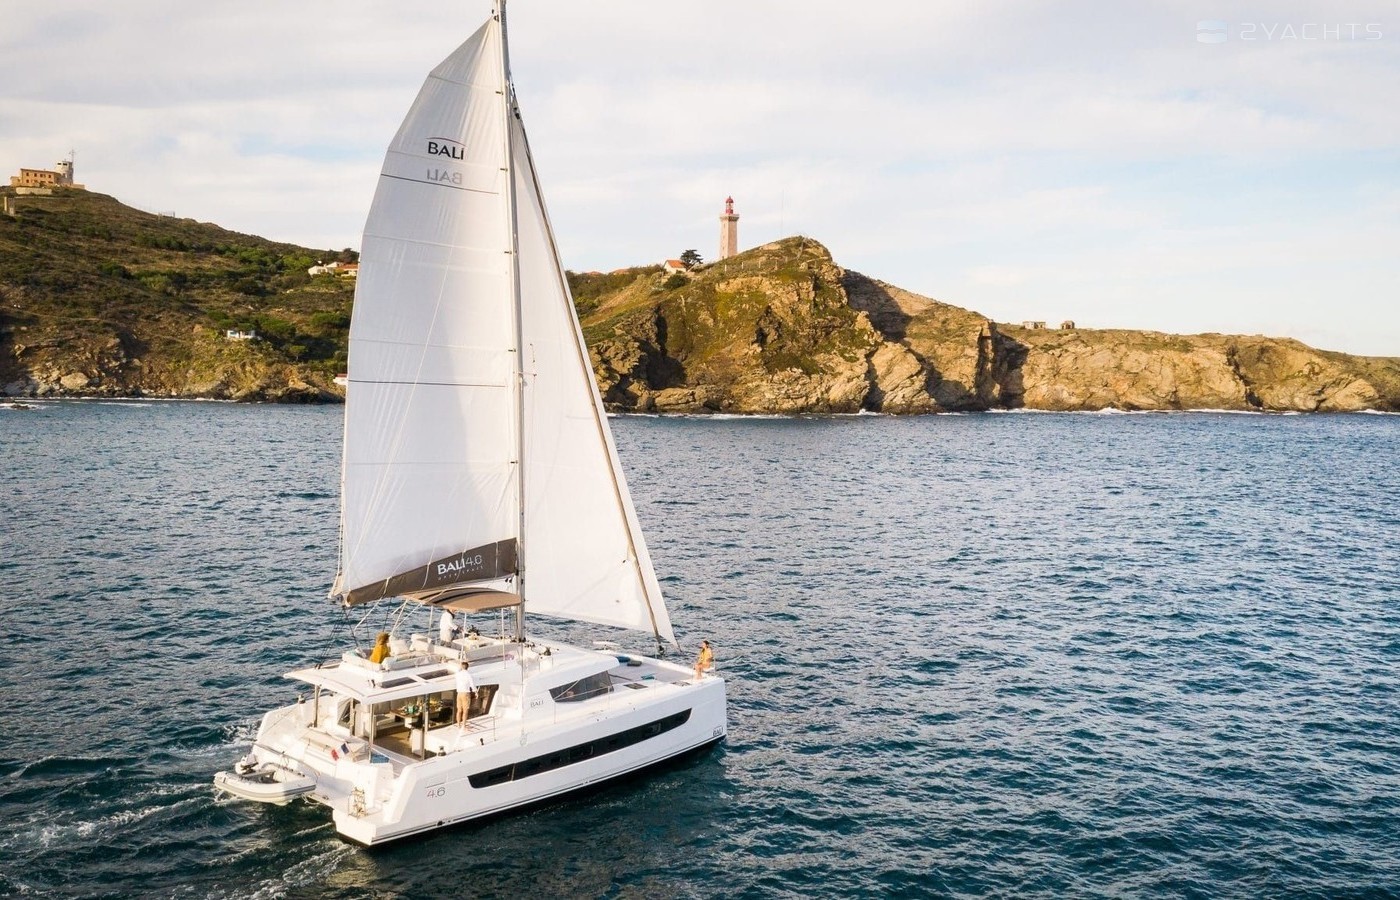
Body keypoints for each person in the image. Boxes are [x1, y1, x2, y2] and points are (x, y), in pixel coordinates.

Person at [455, 660, 478, 727]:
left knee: (459, 710)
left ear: (461, 667)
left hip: (459, 693)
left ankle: (458, 724)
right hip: (465, 693)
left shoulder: (458, 674)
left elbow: (458, 670)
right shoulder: (468, 675)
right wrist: (476, 692)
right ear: (467, 667)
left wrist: (460, 666)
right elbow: (472, 684)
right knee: (465, 711)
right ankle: (464, 725)